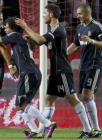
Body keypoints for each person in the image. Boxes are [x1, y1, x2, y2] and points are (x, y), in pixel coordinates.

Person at [15, 3, 100, 139]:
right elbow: (38, 41)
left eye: (44, 13)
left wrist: (25, 27)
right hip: (55, 72)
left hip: (62, 70)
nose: (42, 16)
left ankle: (88, 129)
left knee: (73, 99)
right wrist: (28, 38)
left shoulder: (58, 30)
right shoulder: (53, 31)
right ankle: (41, 131)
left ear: (51, 14)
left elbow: (40, 39)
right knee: (48, 100)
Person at [0, 16, 56, 139]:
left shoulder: (16, 35)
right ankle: (34, 130)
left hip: (29, 73)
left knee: (22, 104)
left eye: (6, 27)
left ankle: (48, 124)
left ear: (12, 28)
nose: (4, 29)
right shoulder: (18, 39)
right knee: (20, 105)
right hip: (29, 73)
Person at [67, 3, 102, 137]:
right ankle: (93, 130)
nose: (78, 16)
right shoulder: (80, 27)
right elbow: (75, 45)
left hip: (95, 65)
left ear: (88, 13)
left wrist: (92, 41)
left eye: (80, 13)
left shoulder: (97, 27)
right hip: (84, 66)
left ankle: (95, 129)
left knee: (86, 95)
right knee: (87, 96)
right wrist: (62, 54)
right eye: (78, 14)